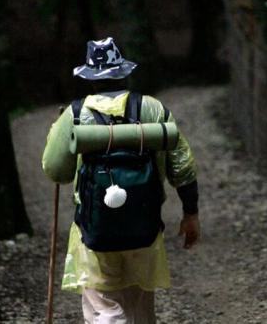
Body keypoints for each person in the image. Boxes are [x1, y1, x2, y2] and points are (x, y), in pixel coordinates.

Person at [42, 37, 200, 324]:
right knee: (140, 308)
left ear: (90, 79)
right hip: (145, 227)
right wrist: (191, 213)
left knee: (103, 309)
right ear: (124, 73)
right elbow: (183, 166)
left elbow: (56, 171)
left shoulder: (76, 114)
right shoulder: (152, 109)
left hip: (94, 231)